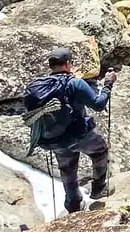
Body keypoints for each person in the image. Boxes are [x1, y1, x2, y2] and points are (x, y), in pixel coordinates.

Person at [25, 47, 116, 213]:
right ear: (68, 64)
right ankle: (98, 188)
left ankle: (73, 205)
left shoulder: (39, 87)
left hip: (53, 138)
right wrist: (108, 84)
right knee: (100, 150)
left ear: (51, 66)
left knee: (67, 168)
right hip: (78, 134)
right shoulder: (74, 83)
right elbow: (98, 104)